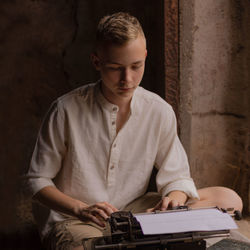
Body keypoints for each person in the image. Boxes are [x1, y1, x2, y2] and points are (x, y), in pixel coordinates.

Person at [25, 12, 243, 250]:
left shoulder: (159, 110)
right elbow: (36, 181)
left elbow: (177, 177)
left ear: (145, 57)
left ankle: (146, 234)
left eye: (136, 66)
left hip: (134, 211)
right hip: (78, 218)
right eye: (115, 68)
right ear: (97, 61)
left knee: (228, 199)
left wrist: (172, 202)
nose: (127, 79)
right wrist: (81, 208)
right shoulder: (65, 110)